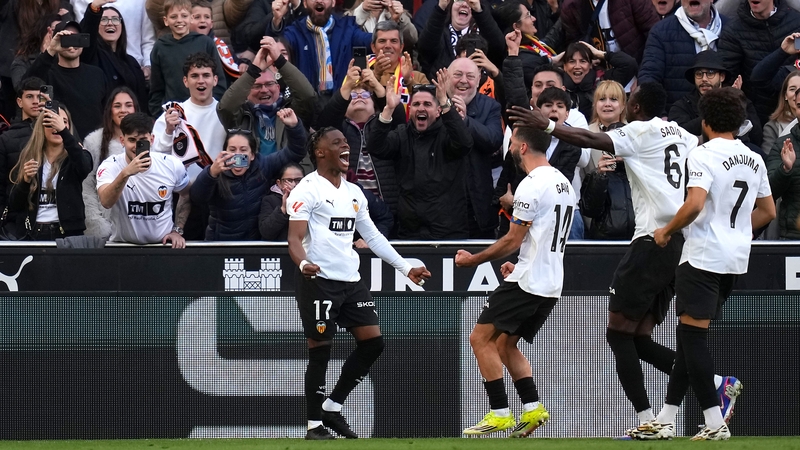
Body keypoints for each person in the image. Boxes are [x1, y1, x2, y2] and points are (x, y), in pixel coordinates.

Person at [508, 82, 701, 434]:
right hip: (680, 242)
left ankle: (647, 420)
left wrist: (548, 125)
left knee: (616, 334)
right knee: (637, 338)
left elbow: (592, 140)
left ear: (637, 106)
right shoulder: (686, 137)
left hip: (651, 241)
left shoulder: (640, 130)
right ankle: (712, 383)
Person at [634, 87, 775, 441]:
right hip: (734, 260)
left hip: (702, 257)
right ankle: (666, 419)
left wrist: (666, 230)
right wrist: (737, 232)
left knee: (692, 340)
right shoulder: (754, 157)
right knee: (689, 339)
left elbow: (695, 204)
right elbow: (768, 211)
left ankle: (714, 421)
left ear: (705, 121)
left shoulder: (702, 155)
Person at [286, 126, 430, 440]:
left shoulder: (353, 192)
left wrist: (405, 268)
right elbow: (294, 239)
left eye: (347, 142)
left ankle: (333, 406)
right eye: (337, 142)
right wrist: (304, 263)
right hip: (319, 281)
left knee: (373, 343)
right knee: (320, 351)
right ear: (321, 152)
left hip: (351, 281)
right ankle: (314, 426)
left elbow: (373, 236)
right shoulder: (306, 190)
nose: (346, 145)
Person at [454, 125, 575, 437]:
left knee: (479, 339)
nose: (509, 149)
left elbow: (512, 239)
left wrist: (472, 260)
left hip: (528, 280)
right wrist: (519, 261)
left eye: (511, 144)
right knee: (506, 345)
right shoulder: (563, 182)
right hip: (549, 282)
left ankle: (499, 412)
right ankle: (533, 408)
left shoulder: (531, 185)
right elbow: (542, 235)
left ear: (522, 147)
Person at [366, 71, 474, 239]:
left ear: (438, 111)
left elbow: (465, 143)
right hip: (410, 231)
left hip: (448, 232)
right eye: (416, 104)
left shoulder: (448, 133)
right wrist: (388, 109)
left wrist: (446, 103)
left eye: (427, 104)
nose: (421, 108)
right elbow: (376, 147)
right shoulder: (402, 134)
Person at [189, 109, 307, 241]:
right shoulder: (216, 172)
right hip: (221, 244)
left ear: (252, 155)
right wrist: (211, 173)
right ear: (225, 151)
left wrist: (294, 126)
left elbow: (296, 152)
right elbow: (197, 198)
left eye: (243, 150)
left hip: (255, 243)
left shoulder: (263, 165)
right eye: (232, 150)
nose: (237, 155)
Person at [97, 112, 191, 248]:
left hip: (162, 246)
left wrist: (177, 230)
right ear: (122, 141)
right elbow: (105, 202)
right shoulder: (111, 165)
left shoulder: (171, 165)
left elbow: (186, 194)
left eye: (142, 140)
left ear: (152, 139)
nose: (137, 146)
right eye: (132, 140)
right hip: (123, 247)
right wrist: (126, 173)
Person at [217, 36, 316, 160]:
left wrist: (280, 61)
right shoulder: (240, 116)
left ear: (278, 88)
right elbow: (225, 107)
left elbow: (308, 96)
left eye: (269, 84)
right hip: (252, 176)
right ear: (247, 92)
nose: (264, 90)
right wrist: (252, 71)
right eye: (257, 86)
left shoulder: (293, 112)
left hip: (290, 176)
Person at [8, 104, 92, 240]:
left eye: (63, 122)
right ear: (41, 126)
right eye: (51, 120)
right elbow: (15, 205)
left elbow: (84, 167)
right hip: (33, 234)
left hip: (67, 236)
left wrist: (64, 132)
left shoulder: (77, 155)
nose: (57, 126)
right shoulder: (28, 156)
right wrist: (25, 181)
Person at [716, 0, 800, 126]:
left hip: (794, 110)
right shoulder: (733, 30)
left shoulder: (796, 21)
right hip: (756, 116)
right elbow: (727, 77)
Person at [265, 0, 373, 96]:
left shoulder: (348, 28)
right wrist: (277, 20)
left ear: (333, 2)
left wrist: (388, 24)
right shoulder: (295, 31)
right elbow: (274, 46)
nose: (319, 1)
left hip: (342, 99)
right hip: (308, 103)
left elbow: (372, 42)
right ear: (305, 3)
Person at [447, 57, 503, 238]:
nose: (464, 80)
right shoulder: (430, 103)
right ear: (446, 77)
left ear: (479, 81)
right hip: (440, 203)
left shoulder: (490, 106)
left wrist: (465, 120)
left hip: (477, 202)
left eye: (470, 76)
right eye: (457, 75)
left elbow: (494, 140)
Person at [24, 20, 109, 140]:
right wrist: (51, 50)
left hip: (95, 144)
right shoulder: (47, 72)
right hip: (60, 142)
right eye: (66, 39)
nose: (71, 45)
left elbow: (107, 110)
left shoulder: (97, 73)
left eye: (76, 38)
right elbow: (27, 85)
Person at [638, 0, 726, 107]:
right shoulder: (661, 31)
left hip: (723, 116)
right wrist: (660, 115)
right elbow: (649, 77)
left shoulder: (730, 28)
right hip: (675, 118)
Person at [668, 50, 762, 149]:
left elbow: (756, 138)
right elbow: (679, 135)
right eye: (699, 74)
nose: (704, 79)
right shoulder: (682, 105)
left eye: (710, 73)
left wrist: (734, 104)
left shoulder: (741, 101)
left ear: (722, 77)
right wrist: (718, 108)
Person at [148, 0, 227, 116]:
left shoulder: (205, 43)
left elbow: (219, 81)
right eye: (173, 16)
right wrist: (160, 114)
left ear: (191, 18)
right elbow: (156, 87)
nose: (179, 20)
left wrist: (213, 109)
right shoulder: (160, 47)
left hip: (205, 112)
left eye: (184, 16)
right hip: (174, 114)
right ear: (166, 20)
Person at [580, 80, 634, 240]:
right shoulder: (584, 135)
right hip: (596, 219)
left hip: (633, 216)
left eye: (614, 99)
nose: (607, 104)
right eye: (602, 99)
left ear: (623, 105)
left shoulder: (637, 133)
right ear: (595, 104)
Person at [83, 86, 139, 239]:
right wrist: (97, 224)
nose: (123, 110)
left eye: (128, 105)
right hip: (106, 226)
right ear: (109, 110)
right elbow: (86, 187)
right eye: (117, 106)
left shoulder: (149, 140)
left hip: (140, 224)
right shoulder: (93, 142)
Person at [79, 0, 149, 109]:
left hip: (132, 123)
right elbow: (87, 33)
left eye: (115, 19)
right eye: (104, 19)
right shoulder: (91, 56)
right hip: (104, 122)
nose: (110, 23)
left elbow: (142, 101)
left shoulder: (131, 62)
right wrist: (94, 8)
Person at [416, 0, 505, 80]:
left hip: (479, 93)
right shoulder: (438, 32)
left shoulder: (482, 34)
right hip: (441, 92)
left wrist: (479, 11)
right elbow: (425, 48)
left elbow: (499, 47)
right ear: (451, 6)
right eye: (459, 0)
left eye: (469, 2)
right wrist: (441, 8)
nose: (464, 5)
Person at [557, 0, 659, 63]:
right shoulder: (571, 6)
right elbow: (574, 44)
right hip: (599, 78)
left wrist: (642, 76)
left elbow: (655, 37)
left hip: (634, 71)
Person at [559, 41, 637, 120]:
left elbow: (629, 64)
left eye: (583, 61)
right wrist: (552, 61)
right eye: (572, 62)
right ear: (564, 66)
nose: (577, 66)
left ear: (590, 65)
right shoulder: (556, 85)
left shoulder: (604, 82)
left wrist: (599, 53)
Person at [0, 77, 44, 214]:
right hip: (18, 213)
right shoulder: (6, 139)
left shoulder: (57, 132)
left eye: (40, 97)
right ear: (20, 102)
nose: (36, 101)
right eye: (30, 97)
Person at [766, 89, 800, 239]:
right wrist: (785, 169)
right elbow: (768, 191)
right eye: (799, 106)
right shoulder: (784, 144)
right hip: (793, 235)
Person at [10, 13, 62, 92]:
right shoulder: (22, 61)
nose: (59, 35)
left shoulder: (69, 59)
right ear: (43, 32)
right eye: (55, 30)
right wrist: (46, 55)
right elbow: (20, 89)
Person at [259, 162, 304, 240]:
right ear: (279, 183)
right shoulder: (269, 200)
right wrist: (283, 209)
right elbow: (266, 232)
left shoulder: (312, 199)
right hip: (279, 249)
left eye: (298, 180)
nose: (294, 184)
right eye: (288, 180)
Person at [345, 0, 417, 47]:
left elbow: (412, 40)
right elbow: (345, 40)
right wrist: (362, 11)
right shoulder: (350, 16)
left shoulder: (400, 15)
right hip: (361, 66)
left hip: (394, 66)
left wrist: (398, 20)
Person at [761, 70, 800, 155]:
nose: (797, 94)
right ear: (785, 95)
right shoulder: (773, 127)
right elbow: (769, 160)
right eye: (792, 89)